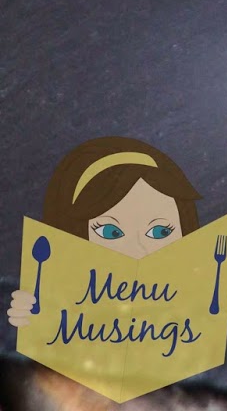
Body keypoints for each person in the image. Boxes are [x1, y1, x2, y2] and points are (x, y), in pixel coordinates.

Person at [6, 136, 200, 328]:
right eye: (110, 232)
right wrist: (31, 322)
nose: (138, 249)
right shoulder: (64, 300)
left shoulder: (192, 302)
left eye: (160, 232)